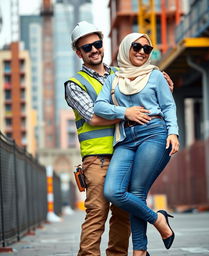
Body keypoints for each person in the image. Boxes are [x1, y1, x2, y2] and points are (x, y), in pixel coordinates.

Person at [94, 33, 179, 256]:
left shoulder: (155, 75)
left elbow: (168, 106)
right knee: (113, 191)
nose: (142, 51)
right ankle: (158, 219)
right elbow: (99, 106)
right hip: (125, 139)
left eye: (147, 49)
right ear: (125, 48)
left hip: (154, 133)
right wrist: (125, 112)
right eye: (136, 46)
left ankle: (139, 252)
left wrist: (174, 133)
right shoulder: (115, 78)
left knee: (137, 191)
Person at [64, 21, 130, 256]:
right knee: (97, 213)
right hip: (97, 160)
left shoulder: (119, 74)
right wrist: (127, 114)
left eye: (97, 44)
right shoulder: (75, 84)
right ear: (78, 52)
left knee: (124, 214)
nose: (94, 50)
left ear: (103, 45)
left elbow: (143, 98)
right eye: (87, 47)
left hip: (125, 153)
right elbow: (93, 117)